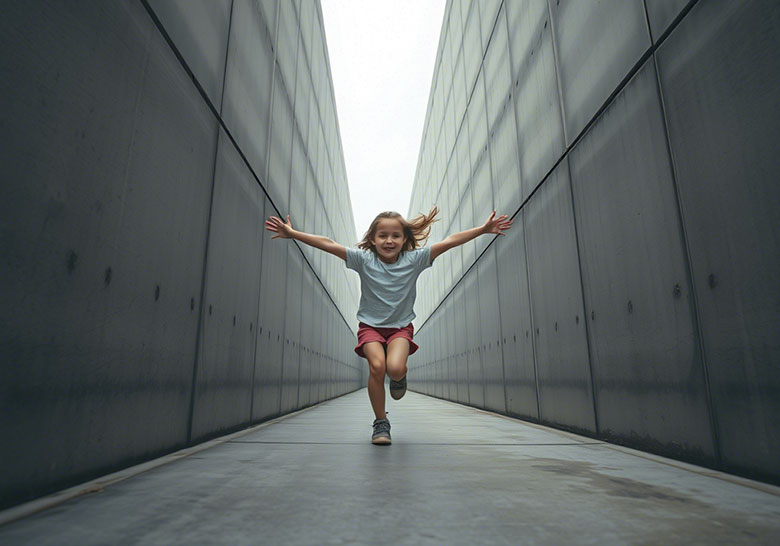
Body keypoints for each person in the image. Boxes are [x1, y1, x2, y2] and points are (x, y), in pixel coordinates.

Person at [265, 206, 513, 445]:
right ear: (372, 239)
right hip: (370, 326)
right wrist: (293, 234)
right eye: (382, 235)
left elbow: (450, 241)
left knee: (394, 368)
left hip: (400, 327)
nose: (389, 240)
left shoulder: (415, 259)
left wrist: (483, 229)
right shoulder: (363, 260)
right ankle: (381, 423)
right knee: (377, 366)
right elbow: (328, 244)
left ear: (405, 239)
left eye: (395, 235)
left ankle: (399, 377)